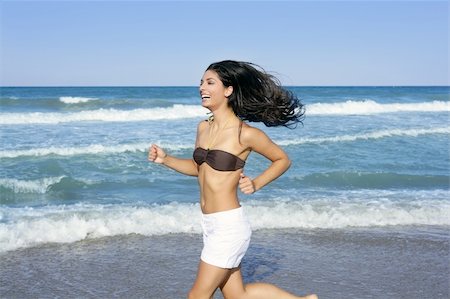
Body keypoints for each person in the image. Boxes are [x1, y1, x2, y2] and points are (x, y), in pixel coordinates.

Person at [148, 60, 317, 299]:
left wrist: (257, 183)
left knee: (197, 296)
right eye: (201, 83)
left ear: (228, 90)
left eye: (210, 82)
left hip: (229, 227)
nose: (202, 88)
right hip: (209, 224)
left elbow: (282, 160)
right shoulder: (202, 128)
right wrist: (166, 159)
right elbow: (199, 169)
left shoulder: (245, 134)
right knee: (239, 296)